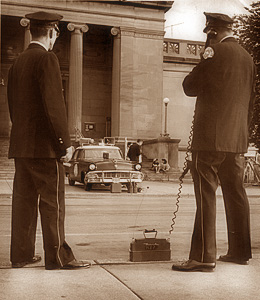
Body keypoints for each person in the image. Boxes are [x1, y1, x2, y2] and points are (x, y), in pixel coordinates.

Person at [172, 12, 256, 272]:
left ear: (212, 32)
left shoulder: (213, 53)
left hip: (209, 140)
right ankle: (240, 251)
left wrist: (206, 55)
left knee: (206, 196)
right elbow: (249, 101)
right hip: (237, 140)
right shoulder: (248, 58)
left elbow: (190, 86)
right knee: (236, 193)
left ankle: (203, 257)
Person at [7, 11, 89, 270]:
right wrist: (64, 143)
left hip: (21, 147)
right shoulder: (47, 59)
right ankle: (57, 257)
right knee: (53, 203)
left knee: (23, 203)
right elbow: (54, 107)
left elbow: (12, 107)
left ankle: (21, 255)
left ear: (32, 31)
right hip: (45, 149)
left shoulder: (17, 63)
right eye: (55, 33)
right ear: (52, 32)